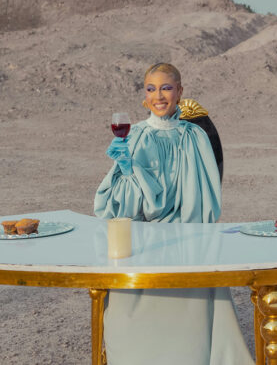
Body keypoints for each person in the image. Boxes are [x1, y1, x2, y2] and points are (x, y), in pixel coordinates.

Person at [94, 63, 253, 365]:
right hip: (142, 243)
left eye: (166, 88)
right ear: (144, 95)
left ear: (180, 91)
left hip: (187, 243)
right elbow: (115, 209)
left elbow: (206, 202)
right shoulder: (134, 137)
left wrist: (185, 233)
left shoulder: (196, 137)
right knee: (124, 323)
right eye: (151, 89)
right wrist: (128, 170)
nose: (159, 96)